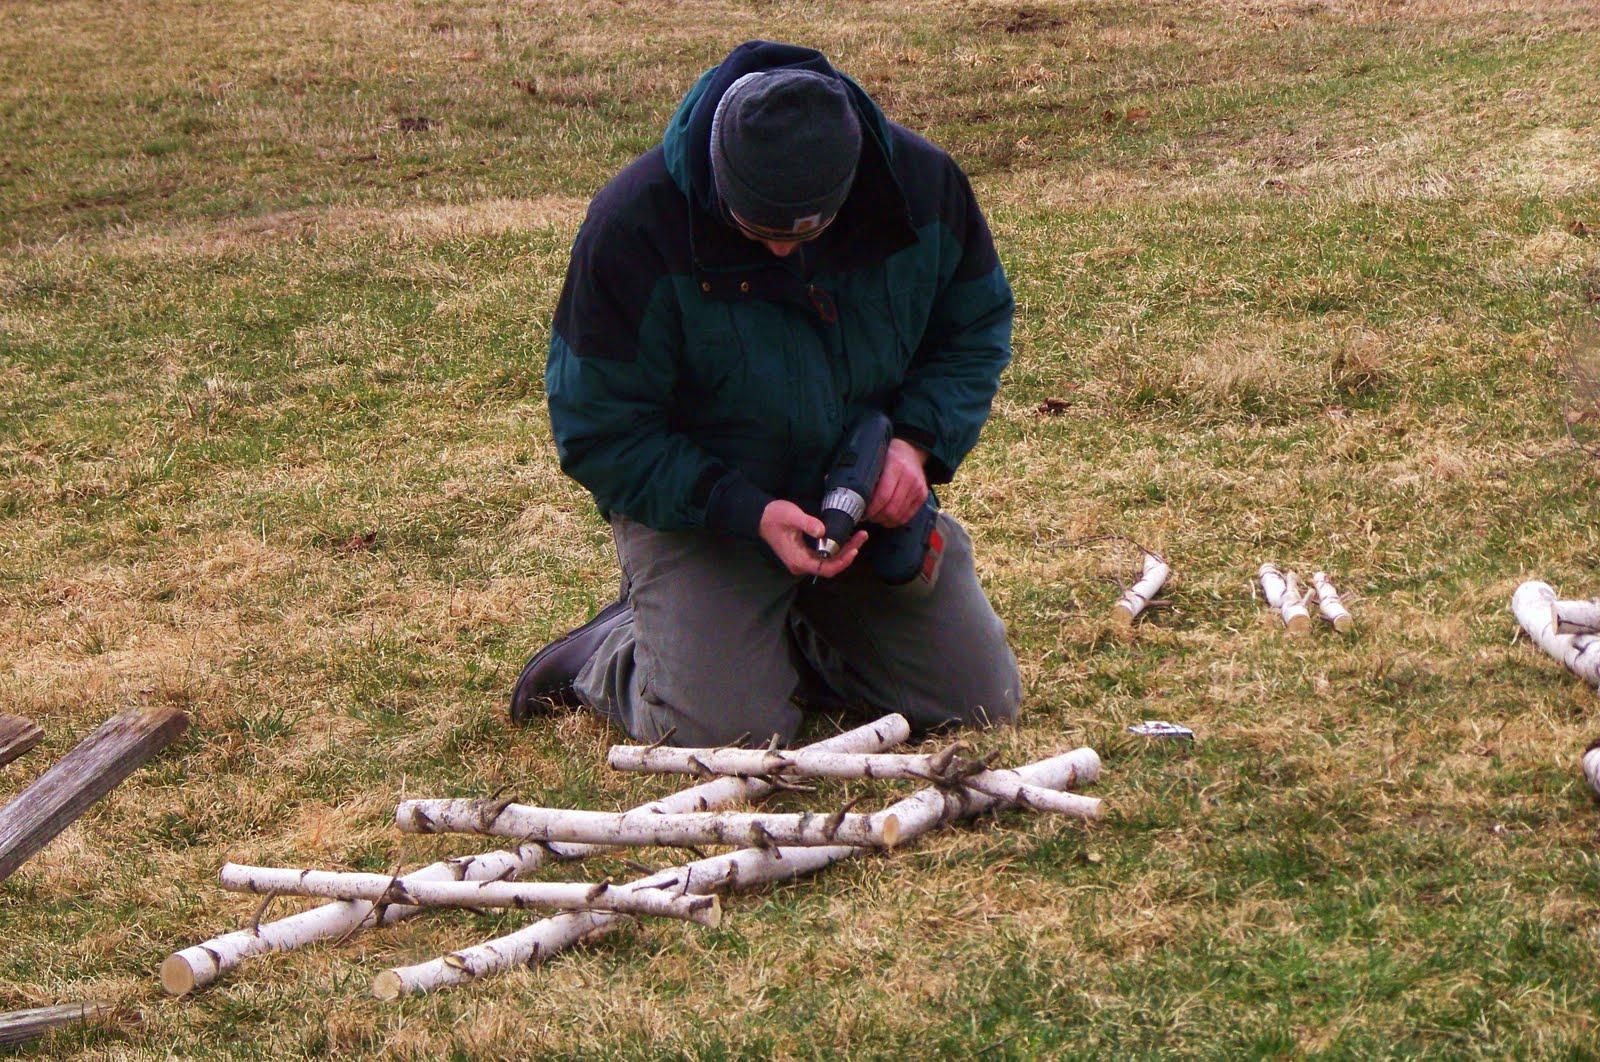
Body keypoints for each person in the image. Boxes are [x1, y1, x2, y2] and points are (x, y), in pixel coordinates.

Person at [511, 40, 1020, 747]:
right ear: (720, 179)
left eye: (806, 231)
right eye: (758, 231)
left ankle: (783, 643)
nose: (782, 251)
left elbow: (974, 326)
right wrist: (744, 510)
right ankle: (611, 654)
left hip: (853, 499)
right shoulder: (635, 225)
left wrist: (915, 445)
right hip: (709, 511)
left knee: (978, 703)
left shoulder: (921, 186)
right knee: (726, 738)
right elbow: (599, 430)